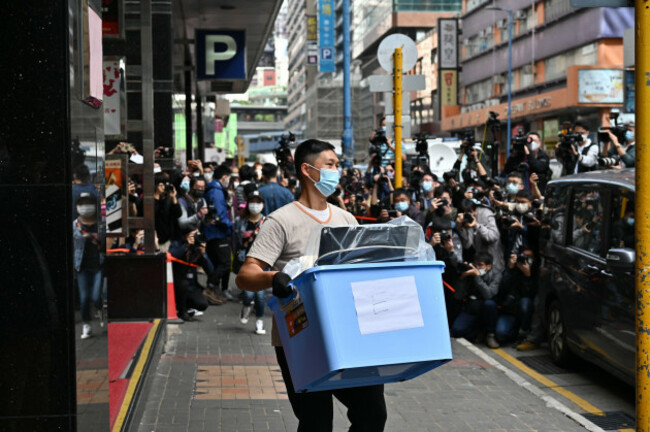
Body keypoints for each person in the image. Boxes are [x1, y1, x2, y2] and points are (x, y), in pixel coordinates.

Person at [236, 139, 387, 432]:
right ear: (307, 170)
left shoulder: (346, 219)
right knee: (316, 422)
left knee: (372, 413)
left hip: (346, 335)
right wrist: (273, 278)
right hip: (300, 338)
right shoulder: (280, 221)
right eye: (330, 165)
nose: (337, 171)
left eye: (337, 165)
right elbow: (246, 274)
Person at [234, 190, 268, 335]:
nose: (255, 205)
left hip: (263, 261)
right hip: (245, 260)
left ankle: (259, 321)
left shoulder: (267, 222)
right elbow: (235, 241)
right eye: (252, 202)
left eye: (258, 202)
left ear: (263, 204)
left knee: (260, 295)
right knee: (248, 294)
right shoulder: (240, 221)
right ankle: (246, 307)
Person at [451, 253, 502, 348]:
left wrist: (477, 277)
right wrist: (462, 278)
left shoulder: (496, 274)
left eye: (480, 265)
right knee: (456, 331)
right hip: (472, 307)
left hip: (487, 309)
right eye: (476, 264)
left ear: (489, 266)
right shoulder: (469, 272)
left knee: (489, 304)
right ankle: (478, 332)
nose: (477, 268)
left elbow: (489, 295)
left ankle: (490, 334)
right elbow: (458, 296)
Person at [73, 192, 104, 339]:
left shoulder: (101, 223)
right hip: (82, 267)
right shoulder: (75, 225)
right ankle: (86, 325)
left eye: (89, 203)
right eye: (82, 203)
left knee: (96, 296)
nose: (85, 207)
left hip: (98, 265)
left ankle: (99, 309)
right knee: (84, 297)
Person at [204, 164, 234, 300]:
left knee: (219, 262)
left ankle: (215, 290)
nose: (229, 181)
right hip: (217, 232)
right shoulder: (216, 191)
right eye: (229, 178)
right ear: (224, 177)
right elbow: (219, 214)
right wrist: (230, 225)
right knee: (225, 262)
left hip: (214, 231)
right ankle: (210, 286)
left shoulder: (214, 189)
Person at [169, 228, 212, 321]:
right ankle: (181, 311)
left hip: (191, 286)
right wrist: (186, 245)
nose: (196, 238)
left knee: (202, 304)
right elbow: (173, 255)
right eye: (193, 235)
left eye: (197, 235)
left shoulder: (197, 249)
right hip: (176, 284)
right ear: (185, 236)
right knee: (183, 285)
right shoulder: (177, 244)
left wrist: (204, 253)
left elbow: (210, 271)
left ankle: (184, 307)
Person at [495, 246, 536, 344]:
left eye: (529, 257)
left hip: (526, 313)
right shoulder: (512, 269)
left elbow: (531, 294)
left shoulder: (535, 271)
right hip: (510, 310)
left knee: (525, 303)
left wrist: (527, 276)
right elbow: (502, 288)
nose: (525, 259)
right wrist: (510, 268)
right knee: (501, 334)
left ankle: (524, 331)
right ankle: (515, 333)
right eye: (523, 256)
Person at [153, 173, 182, 252]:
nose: (164, 186)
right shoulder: (148, 199)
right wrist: (157, 194)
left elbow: (178, 214)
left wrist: (173, 198)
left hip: (167, 239)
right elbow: (153, 215)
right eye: (161, 184)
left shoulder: (168, 198)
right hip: (153, 239)